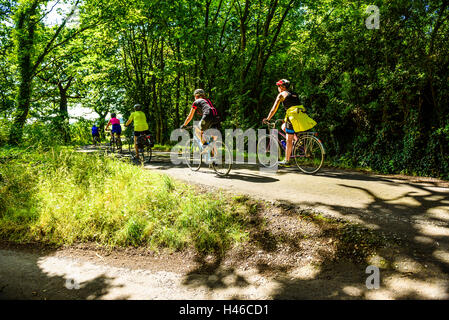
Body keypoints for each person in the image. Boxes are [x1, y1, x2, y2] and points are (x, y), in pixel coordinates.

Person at [263, 79, 304, 166]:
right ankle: (297, 141)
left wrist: (268, 118)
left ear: (282, 87)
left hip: (292, 118)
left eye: (278, 86)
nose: (278, 88)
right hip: (301, 116)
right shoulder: (294, 94)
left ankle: (287, 160)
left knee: (288, 139)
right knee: (283, 127)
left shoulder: (281, 94)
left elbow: (274, 109)